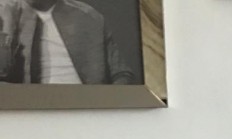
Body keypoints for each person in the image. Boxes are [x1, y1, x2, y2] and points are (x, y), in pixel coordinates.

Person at [0, 0, 135, 84]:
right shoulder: (5, 12)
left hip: (86, 105)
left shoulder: (89, 16)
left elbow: (121, 73)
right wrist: (7, 27)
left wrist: (109, 106)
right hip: (30, 109)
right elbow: (2, 73)